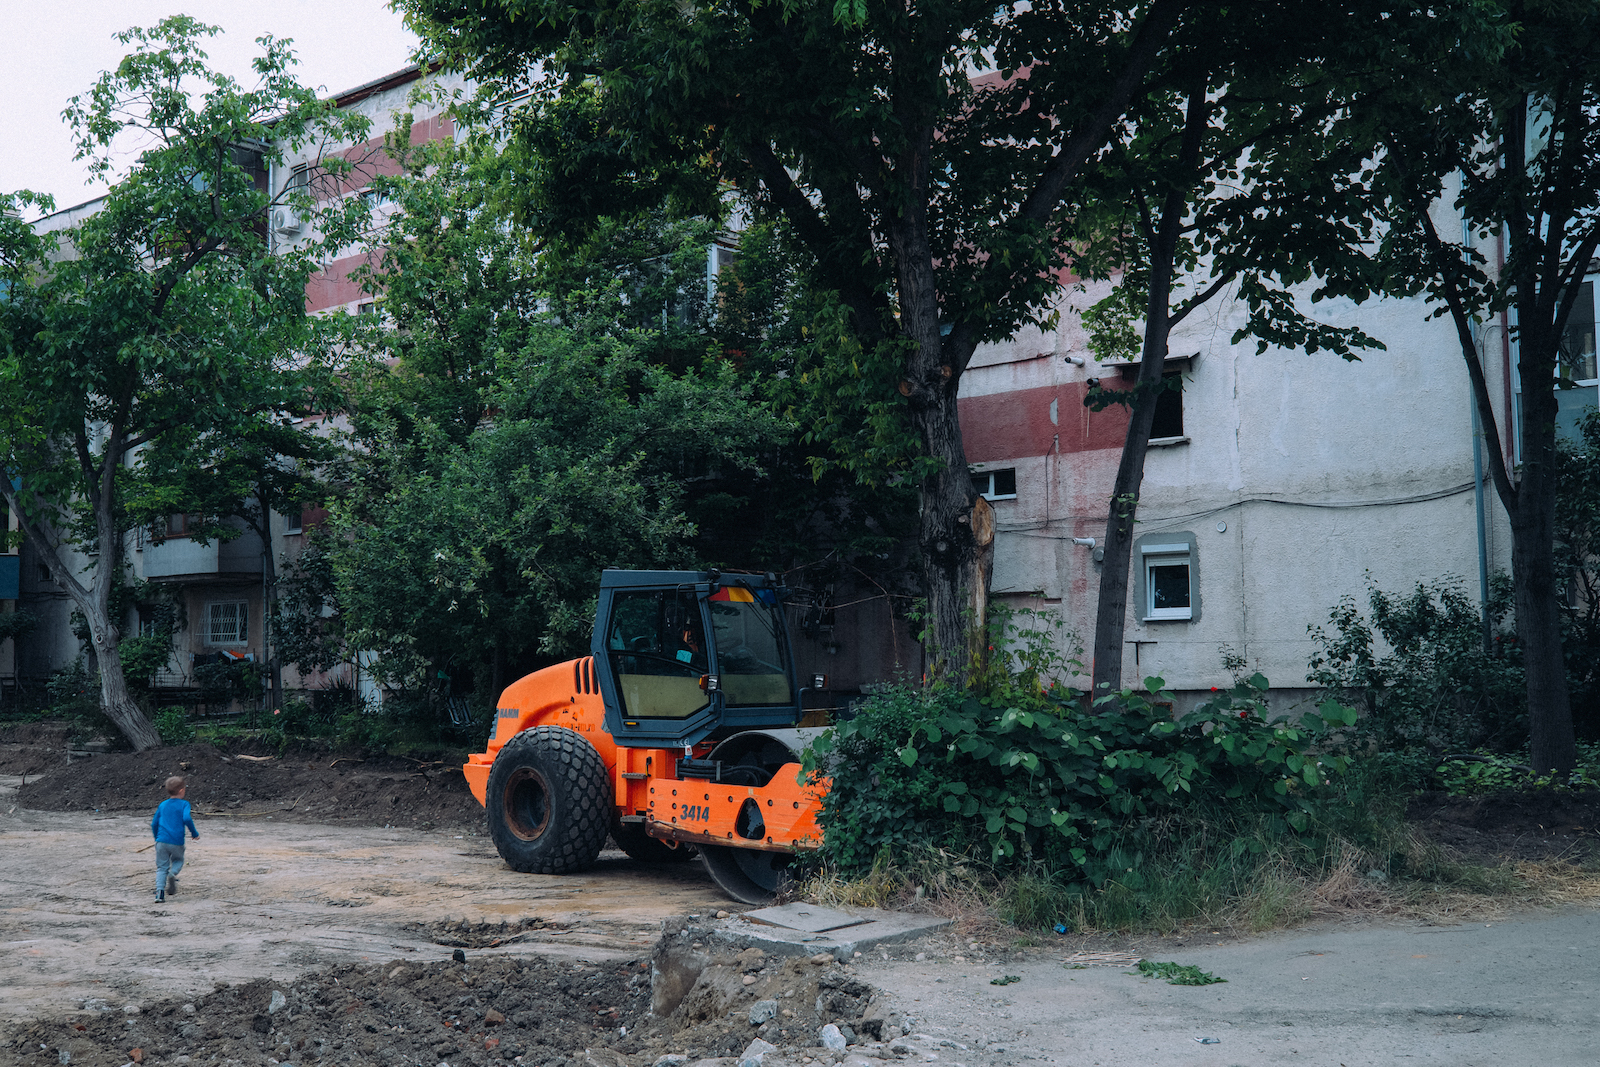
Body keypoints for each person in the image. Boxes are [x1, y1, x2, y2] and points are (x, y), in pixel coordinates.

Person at [151, 775, 199, 904]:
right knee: (178, 860)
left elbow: (154, 823)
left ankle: (159, 894)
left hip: (161, 841)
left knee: (161, 868)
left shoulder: (162, 805)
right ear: (181, 791)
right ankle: (172, 874)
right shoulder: (184, 804)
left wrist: (157, 838)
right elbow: (187, 818)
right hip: (177, 842)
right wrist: (194, 833)